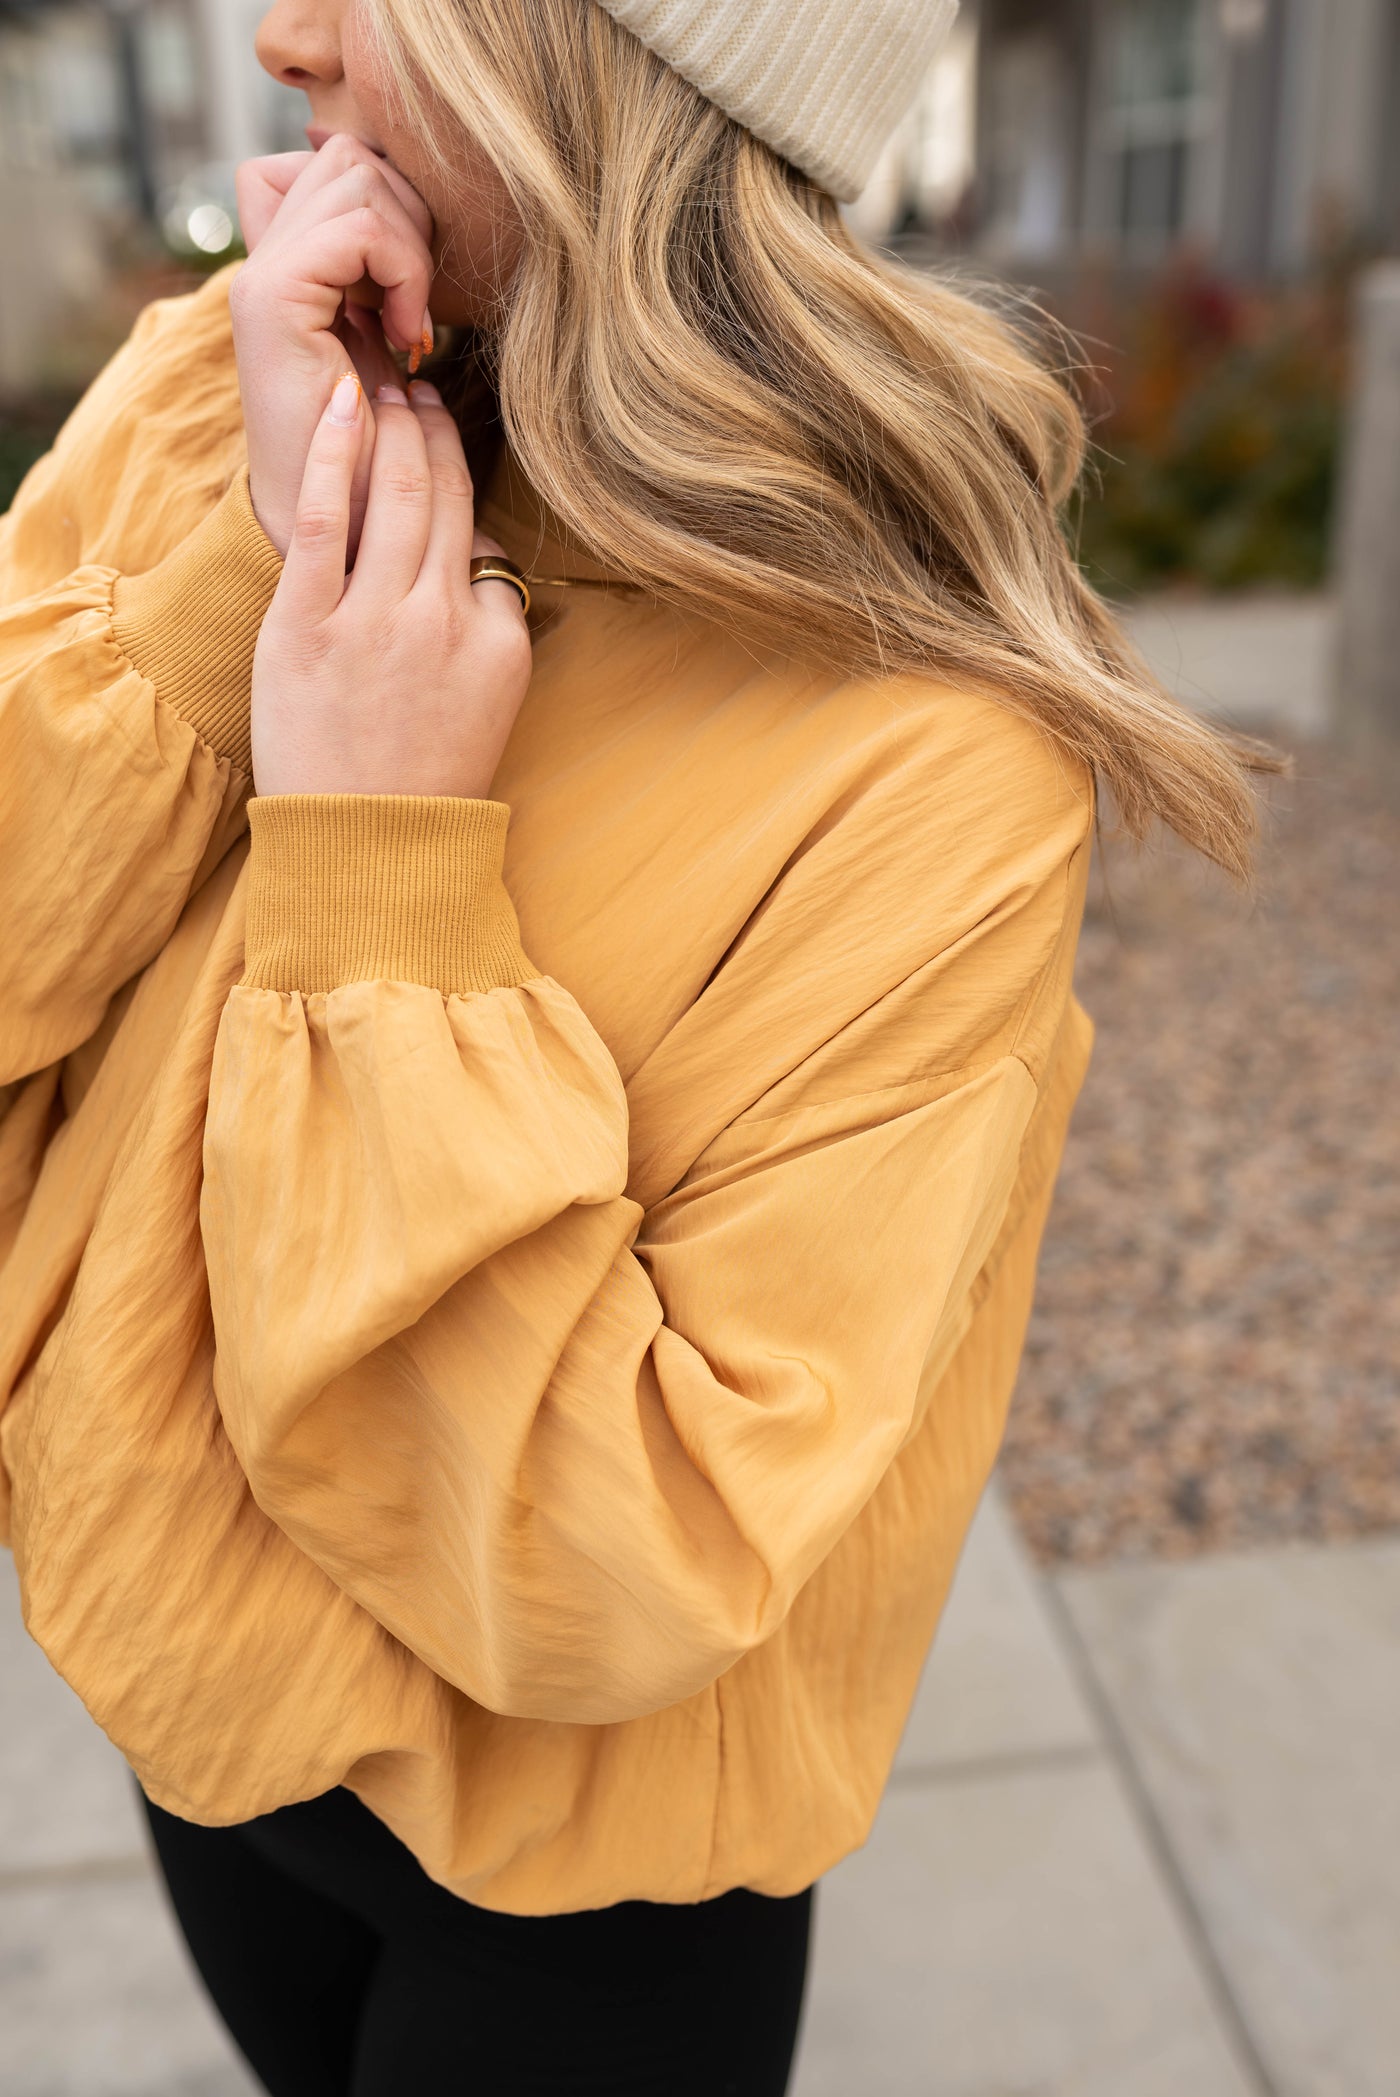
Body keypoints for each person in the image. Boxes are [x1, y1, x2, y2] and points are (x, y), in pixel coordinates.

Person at [0, 1, 1270, 2092]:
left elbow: (626, 1542)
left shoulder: (923, 758)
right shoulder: (207, 395)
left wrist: (382, 872)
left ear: (599, 63)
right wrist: (245, 563)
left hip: (579, 1908)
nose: (286, 32)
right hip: (194, 1714)